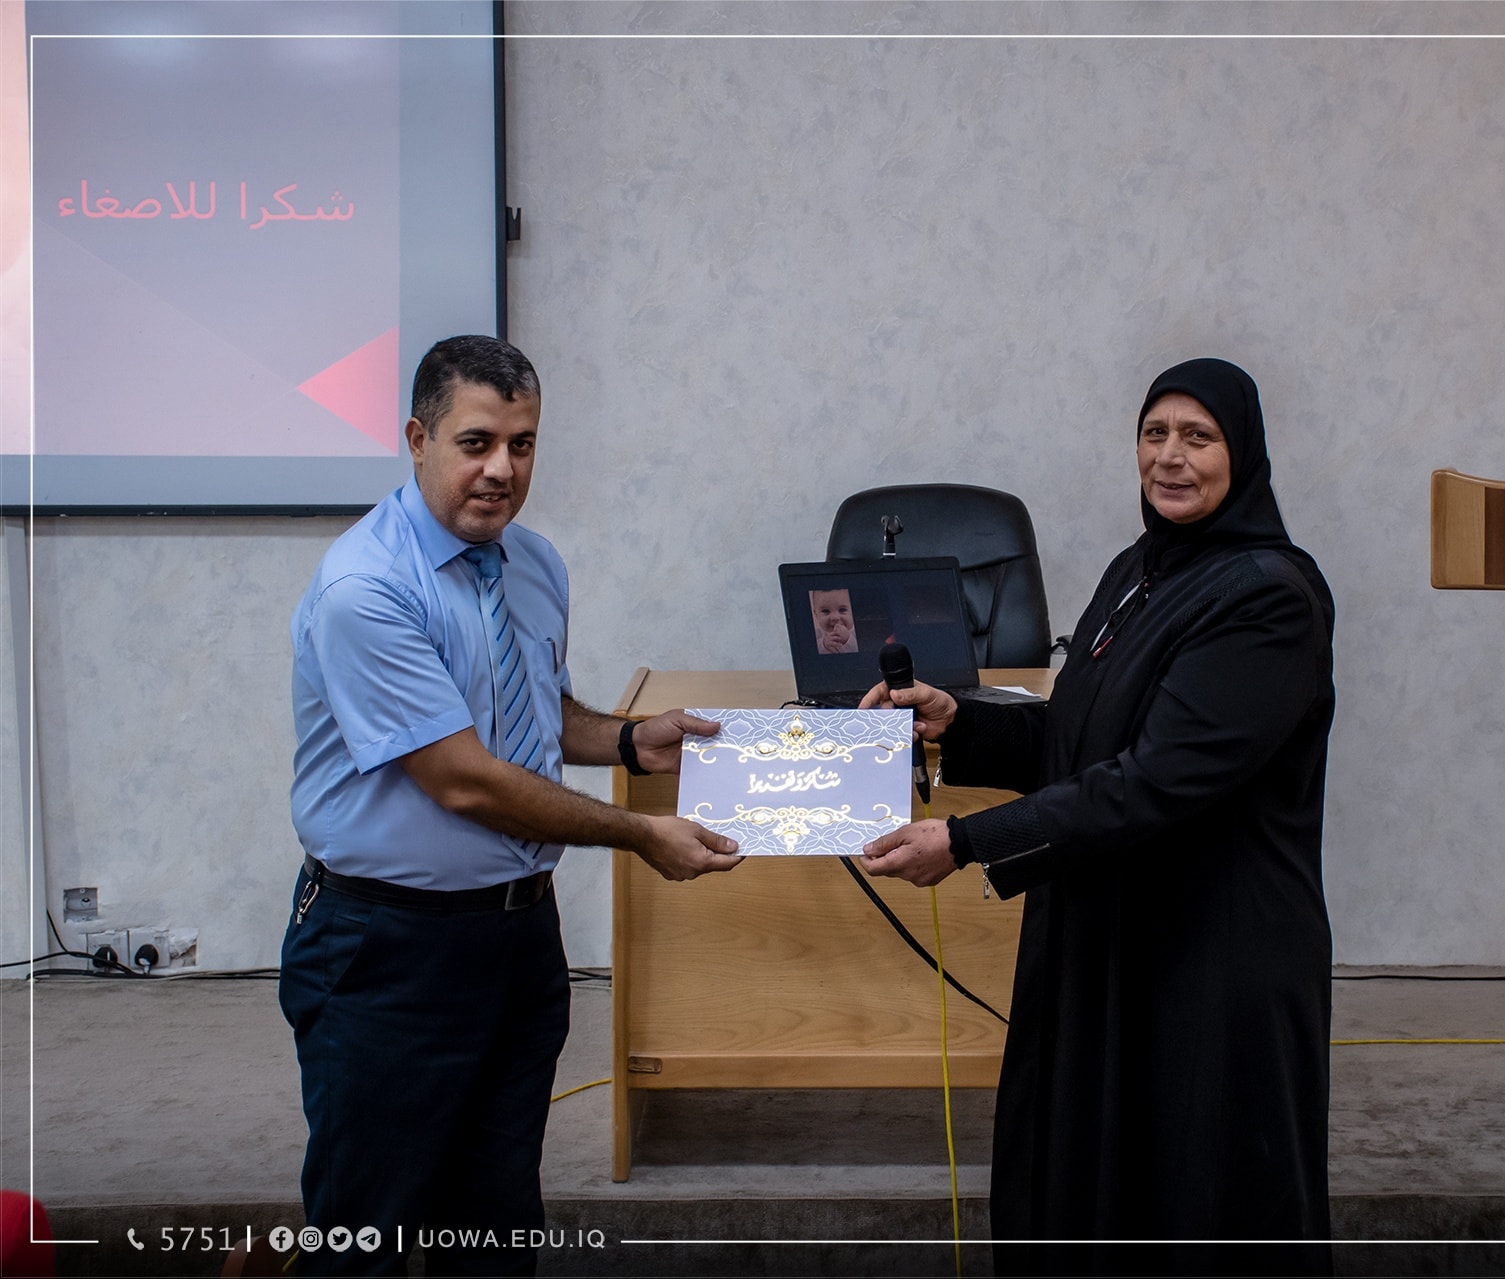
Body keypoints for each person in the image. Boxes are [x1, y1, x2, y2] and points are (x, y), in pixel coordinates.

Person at [860, 358, 1336, 1274]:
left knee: (1196, 1202)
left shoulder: (1270, 597)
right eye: (1154, 434)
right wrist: (960, 724)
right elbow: (1081, 737)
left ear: (1242, 454)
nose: (1170, 457)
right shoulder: (1138, 571)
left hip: (1210, 959)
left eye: (1198, 437)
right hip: (1110, 937)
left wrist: (965, 841)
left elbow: (1154, 780)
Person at [281, 335, 742, 1277]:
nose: (501, 468)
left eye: (522, 444)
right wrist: (638, 832)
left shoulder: (532, 563)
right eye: (476, 442)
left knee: (495, 1228)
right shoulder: (367, 588)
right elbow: (464, 776)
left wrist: (628, 740)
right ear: (418, 439)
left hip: (519, 939)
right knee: (366, 1236)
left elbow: (531, 714)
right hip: (387, 949)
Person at [809, 586, 859, 653]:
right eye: (826, 611)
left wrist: (848, 639)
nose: (835, 617)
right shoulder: (817, 635)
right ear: (816, 614)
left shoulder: (856, 633)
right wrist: (824, 644)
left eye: (842, 610)